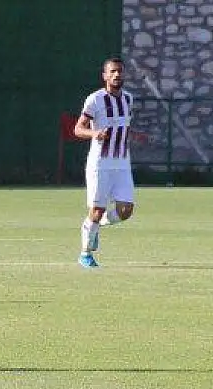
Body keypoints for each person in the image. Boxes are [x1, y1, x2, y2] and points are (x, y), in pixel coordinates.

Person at [73, 57, 137, 268]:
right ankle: (85, 253)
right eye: (112, 72)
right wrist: (95, 133)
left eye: (120, 71)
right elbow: (78, 128)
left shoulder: (128, 99)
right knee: (97, 209)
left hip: (122, 163)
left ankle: (95, 225)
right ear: (105, 76)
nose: (117, 75)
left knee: (126, 211)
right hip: (100, 163)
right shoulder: (95, 100)